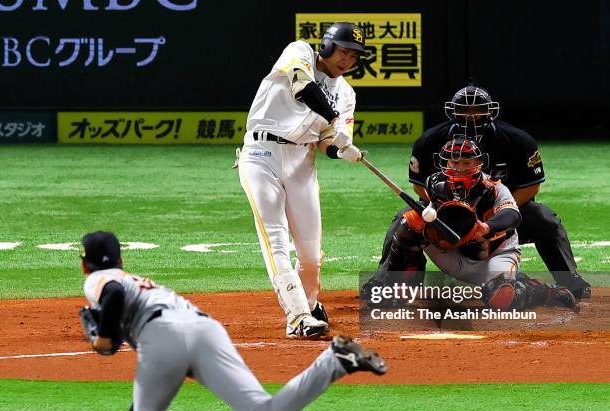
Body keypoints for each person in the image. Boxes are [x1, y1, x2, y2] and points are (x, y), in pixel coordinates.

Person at [78, 231, 387, 411]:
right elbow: (161, 366)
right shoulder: (139, 282)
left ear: (84, 264)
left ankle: (336, 361)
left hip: (161, 336)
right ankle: (335, 361)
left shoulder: (98, 280)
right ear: (121, 257)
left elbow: (115, 298)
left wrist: (103, 341)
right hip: (204, 329)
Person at [365, 84, 590, 298]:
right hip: (445, 211)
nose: (471, 116)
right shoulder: (429, 141)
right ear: (452, 112)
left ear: (490, 112)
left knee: (545, 219)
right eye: (464, 110)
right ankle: (386, 282)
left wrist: (496, 213)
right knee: (405, 219)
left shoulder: (518, 141)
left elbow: (532, 185)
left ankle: (569, 280)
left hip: (498, 211)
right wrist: (449, 212)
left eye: (478, 110)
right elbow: (419, 185)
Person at [235, 22, 366, 338]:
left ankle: (308, 304)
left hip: (302, 163)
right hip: (259, 155)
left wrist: (340, 148)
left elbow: (326, 141)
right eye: (343, 52)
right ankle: (297, 317)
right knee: (276, 238)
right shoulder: (299, 52)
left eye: (354, 56)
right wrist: (336, 120)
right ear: (327, 46)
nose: (346, 61)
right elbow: (303, 87)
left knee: (310, 253)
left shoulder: (346, 93)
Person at [362, 138, 575, 311]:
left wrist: (486, 227)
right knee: (409, 223)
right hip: (452, 253)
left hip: (494, 254)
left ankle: (543, 291)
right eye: (454, 163)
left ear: (478, 164)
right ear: (445, 163)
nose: (459, 168)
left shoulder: (493, 187)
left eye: (466, 163)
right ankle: (396, 290)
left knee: (501, 300)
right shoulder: (434, 184)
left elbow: (512, 215)